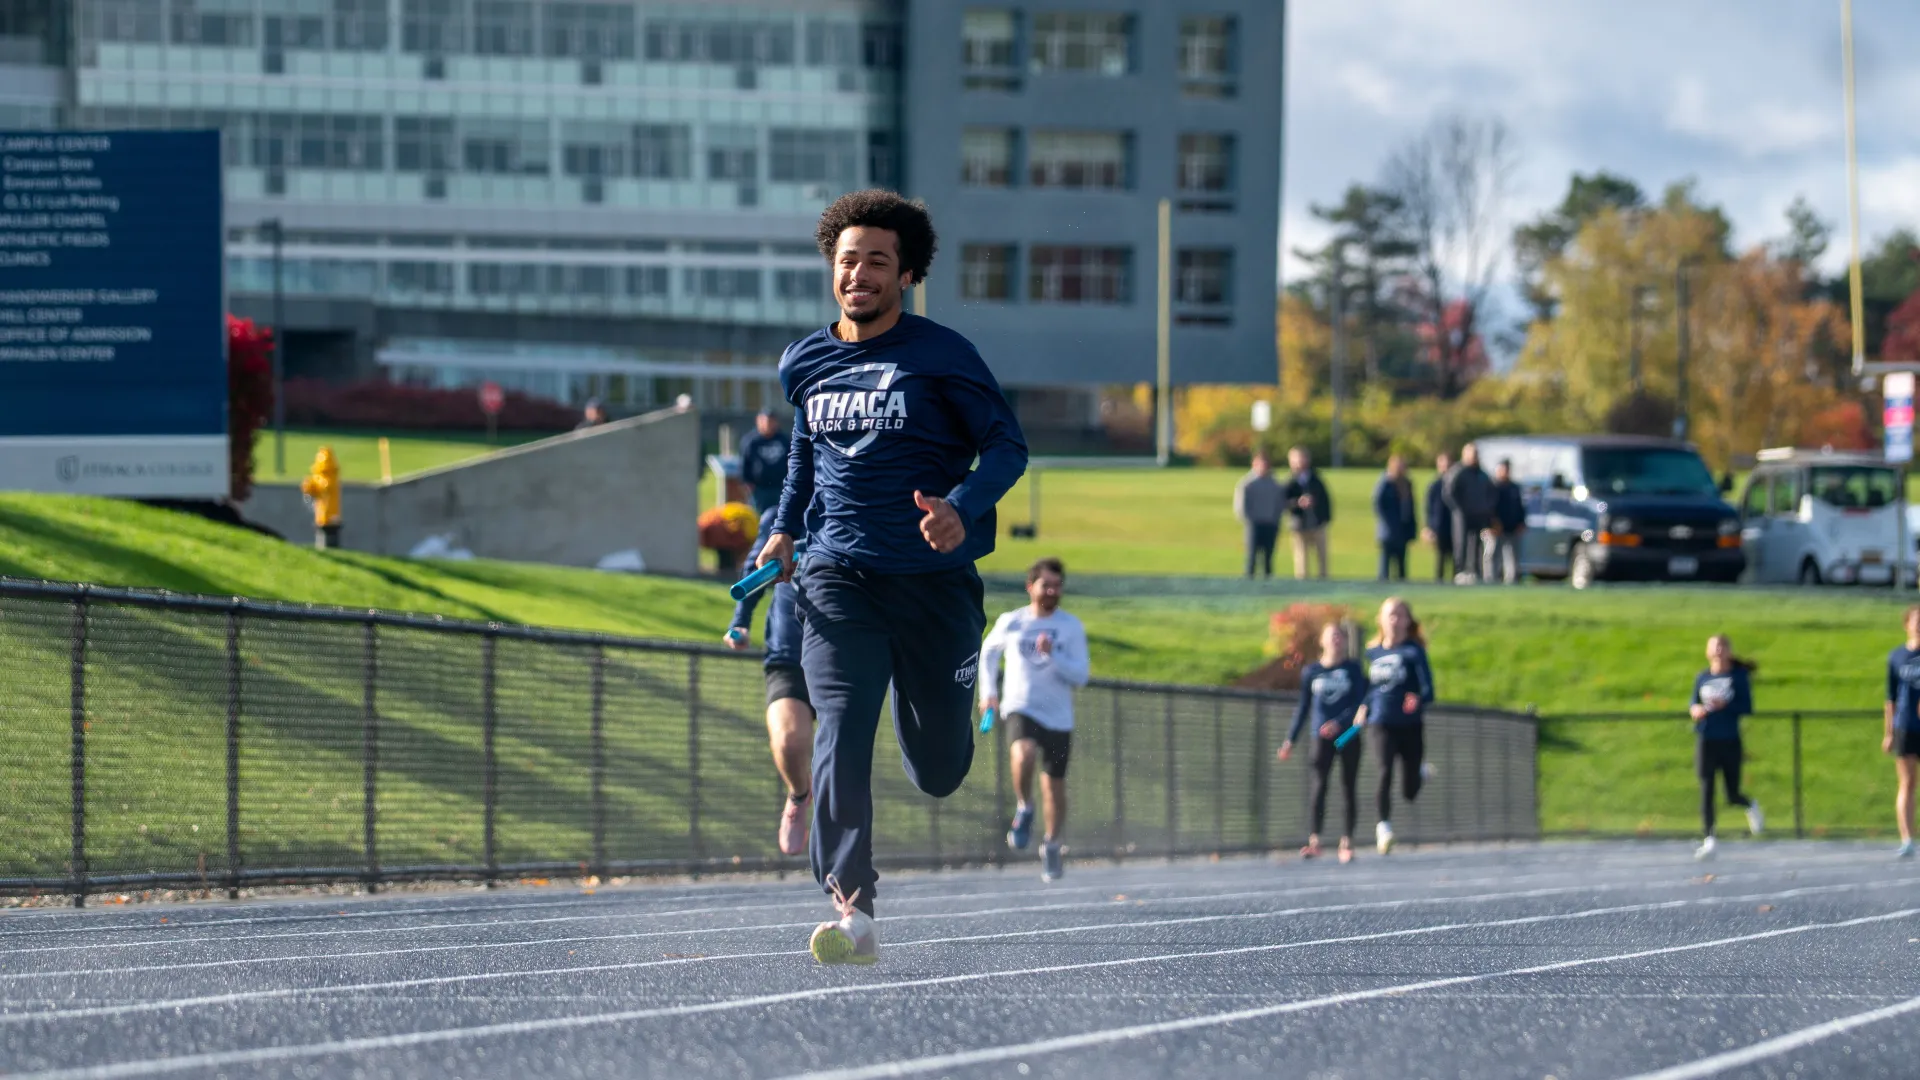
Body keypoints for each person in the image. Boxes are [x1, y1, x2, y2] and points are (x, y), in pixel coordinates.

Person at [756, 189, 1028, 966]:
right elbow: (804, 459)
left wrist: (960, 508)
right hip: (837, 574)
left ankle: (937, 729)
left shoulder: (943, 355)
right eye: (848, 261)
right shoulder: (805, 362)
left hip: (934, 582)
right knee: (840, 724)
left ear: (906, 274)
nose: (860, 274)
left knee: (938, 768)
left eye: (877, 261)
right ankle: (853, 905)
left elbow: (1006, 447)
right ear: (832, 269)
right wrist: (783, 529)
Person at [979, 557, 1090, 883]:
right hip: (1020, 706)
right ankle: (1025, 807)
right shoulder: (1013, 622)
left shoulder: (1070, 626)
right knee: (1023, 752)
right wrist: (989, 693)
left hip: (1058, 716)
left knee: (1053, 786)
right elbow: (988, 653)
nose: (1052, 591)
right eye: (1046, 585)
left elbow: (1081, 676)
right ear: (1030, 587)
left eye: (1057, 586)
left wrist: (1054, 653)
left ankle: (1052, 844)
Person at [725, 509, 814, 857]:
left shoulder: (860, 503)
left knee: (840, 760)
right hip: (789, 652)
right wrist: (741, 620)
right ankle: (799, 795)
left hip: (847, 653)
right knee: (789, 743)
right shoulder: (781, 516)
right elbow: (756, 568)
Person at [1278, 621, 1367, 864]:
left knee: (1348, 787)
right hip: (1320, 737)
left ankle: (1347, 842)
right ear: (1322, 641)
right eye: (1332, 635)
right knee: (1318, 786)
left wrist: (1339, 723)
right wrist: (1290, 740)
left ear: (1345, 641)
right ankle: (1315, 840)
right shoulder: (1311, 671)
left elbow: (1359, 702)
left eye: (1340, 636)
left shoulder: (1353, 669)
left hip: (1347, 735)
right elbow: (1303, 708)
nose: (1336, 639)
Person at [1352, 597, 1435, 855]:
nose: (1395, 620)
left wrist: (1417, 698)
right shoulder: (1373, 653)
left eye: (1400, 615)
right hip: (1380, 722)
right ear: (1381, 619)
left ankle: (1418, 772)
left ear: (1408, 621)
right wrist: (1363, 707)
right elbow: (1372, 688)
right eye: (1390, 614)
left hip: (1409, 725)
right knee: (1384, 770)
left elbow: (1429, 690)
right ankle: (1384, 828)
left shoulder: (1414, 652)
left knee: (1410, 791)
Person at [1689, 634, 1762, 861]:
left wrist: (1726, 705)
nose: (1718, 651)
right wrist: (1695, 710)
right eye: (1714, 646)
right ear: (1707, 651)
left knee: (1732, 794)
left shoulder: (1737, 677)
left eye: (1722, 646)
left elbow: (1747, 707)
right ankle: (1709, 838)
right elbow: (1693, 702)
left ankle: (1750, 804)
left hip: (1729, 739)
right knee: (1707, 789)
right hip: (1706, 739)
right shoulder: (1702, 677)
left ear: (1729, 651)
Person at [1885, 607, 1920, 858]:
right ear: (1907, 624)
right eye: (1916, 621)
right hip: (1905, 726)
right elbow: (1891, 698)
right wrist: (1889, 732)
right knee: (1907, 782)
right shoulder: (1896, 656)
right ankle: (1907, 839)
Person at [1442, 444, 1495, 584]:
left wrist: (1486, 509)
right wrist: (1459, 510)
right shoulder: (1457, 472)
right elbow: (1448, 493)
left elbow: (1491, 492)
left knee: (1476, 544)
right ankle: (1460, 571)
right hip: (1462, 516)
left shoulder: (1481, 473)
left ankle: (1475, 571)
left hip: (1478, 515)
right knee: (1461, 543)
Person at [1233, 450, 1286, 578]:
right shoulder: (1247, 484)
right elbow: (1241, 506)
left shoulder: (1275, 484)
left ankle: (1268, 583)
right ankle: (1249, 581)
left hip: (1270, 524)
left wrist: (1276, 519)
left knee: (1268, 558)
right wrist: (1249, 520)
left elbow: (1280, 503)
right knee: (1252, 557)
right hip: (1254, 524)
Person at [1283, 446, 1332, 580]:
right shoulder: (1290, 481)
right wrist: (1297, 503)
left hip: (1317, 524)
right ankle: (1303, 585)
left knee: (1322, 559)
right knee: (1301, 561)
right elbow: (1284, 502)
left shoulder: (1316, 479)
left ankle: (1324, 584)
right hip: (1299, 525)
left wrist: (1325, 519)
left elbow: (1325, 500)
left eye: (1302, 458)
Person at [1372, 455, 1418, 581]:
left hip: (1403, 531)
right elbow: (1378, 504)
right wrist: (1388, 522)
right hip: (1388, 532)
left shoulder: (1406, 484)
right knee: (1385, 568)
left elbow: (1411, 506)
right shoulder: (1385, 483)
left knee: (1401, 567)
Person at [739, 410, 792, 514]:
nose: (768, 425)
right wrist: (746, 482)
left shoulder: (784, 440)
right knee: (759, 516)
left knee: (781, 515)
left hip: (781, 487)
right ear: (758, 421)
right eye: (765, 421)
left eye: (771, 421)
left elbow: (792, 461)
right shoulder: (751, 441)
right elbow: (744, 463)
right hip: (759, 489)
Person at [1484, 459, 1527, 585]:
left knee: (1512, 557)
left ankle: (1511, 580)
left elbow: (1520, 507)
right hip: (1496, 528)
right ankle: (1490, 580)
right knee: (1492, 555)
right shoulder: (1492, 487)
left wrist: (1521, 522)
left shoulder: (1514, 488)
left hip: (1512, 528)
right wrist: (1492, 523)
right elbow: (1488, 508)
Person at [299, 446, 342, 550]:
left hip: (331, 516)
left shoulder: (330, 478)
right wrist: (308, 486)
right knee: (322, 536)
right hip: (322, 516)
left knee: (330, 538)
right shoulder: (320, 477)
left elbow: (327, 487)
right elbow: (313, 489)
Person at [1424, 452, 1455, 583]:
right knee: (1440, 560)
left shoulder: (1456, 484)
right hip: (1439, 528)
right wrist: (1429, 527)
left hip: (1454, 527)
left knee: (1455, 560)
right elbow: (1428, 509)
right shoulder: (1434, 485)